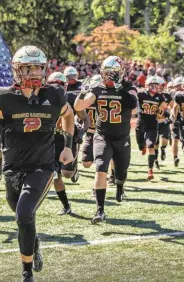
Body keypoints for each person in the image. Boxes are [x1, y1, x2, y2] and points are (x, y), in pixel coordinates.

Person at [0, 46, 74, 282]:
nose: (35, 72)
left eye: (39, 67)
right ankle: (34, 242)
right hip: (12, 168)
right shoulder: (4, 97)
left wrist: (69, 145)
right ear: (17, 71)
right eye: (28, 67)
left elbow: (69, 115)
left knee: (23, 214)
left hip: (43, 166)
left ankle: (26, 273)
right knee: (21, 216)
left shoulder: (54, 95)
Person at [74, 55, 137, 223]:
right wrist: (82, 93)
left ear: (119, 73)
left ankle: (120, 186)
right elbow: (79, 107)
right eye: (106, 73)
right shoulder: (98, 88)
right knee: (100, 169)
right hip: (102, 136)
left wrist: (119, 88)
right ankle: (100, 210)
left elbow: (133, 104)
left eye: (111, 73)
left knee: (121, 174)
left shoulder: (128, 87)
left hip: (122, 137)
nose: (107, 77)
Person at [47, 71, 89, 215]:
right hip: (50, 141)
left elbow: (86, 119)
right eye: (53, 84)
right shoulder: (42, 99)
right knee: (55, 175)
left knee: (67, 174)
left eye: (59, 84)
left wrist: (81, 133)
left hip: (67, 139)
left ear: (65, 86)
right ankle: (66, 205)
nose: (56, 87)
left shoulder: (71, 98)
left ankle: (74, 165)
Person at [136, 76, 168, 180]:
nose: (154, 87)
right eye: (152, 85)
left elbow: (164, 107)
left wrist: (162, 112)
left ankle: (150, 170)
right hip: (141, 123)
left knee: (151, 145)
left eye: (156, 85)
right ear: (146, 85)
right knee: (141, 145)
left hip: (153, 124)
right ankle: (142, 146)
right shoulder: (141, 94)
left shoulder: (160, 96)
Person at [154, 76, 173, 169]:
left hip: (164, 121)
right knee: (155, 143)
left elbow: (173, 107)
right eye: (157, 85)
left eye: (161, 85)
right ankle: (155, 160)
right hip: (154, 122)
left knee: (164, 141)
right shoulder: (150, 95)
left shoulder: (167, 96)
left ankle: (163, 149)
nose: (159, 87)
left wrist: (170, 113)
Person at [170, 77, 183, 167]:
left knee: (183, 139)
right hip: (175, 117)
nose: (179, 87)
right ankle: (175, 157)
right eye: (177, 86)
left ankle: (177, 156)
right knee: (175, 138)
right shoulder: (171, 93)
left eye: (180, 85)